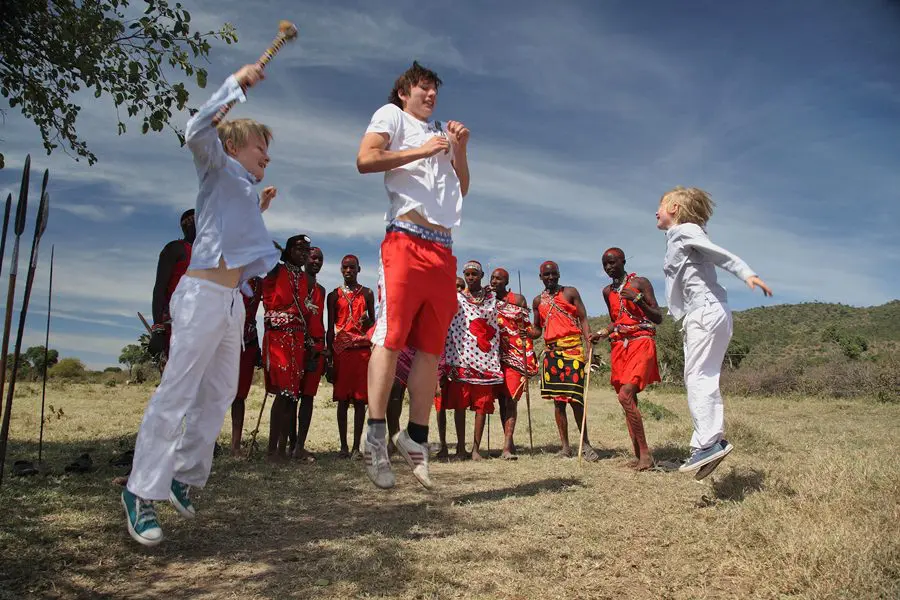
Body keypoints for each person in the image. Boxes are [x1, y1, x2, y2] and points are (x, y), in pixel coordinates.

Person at [121, 63, 281, 546]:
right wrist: (237, 85)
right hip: (200, 297)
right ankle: (139, 492)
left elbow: (232, 226)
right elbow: (196, 130)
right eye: (261, 149)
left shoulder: (242, 187)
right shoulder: (215, 163)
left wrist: (259, 205)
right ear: (233, 146)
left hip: (232, 303)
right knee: (177, 395)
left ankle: (181, 476)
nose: (266, 158)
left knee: (218, 396)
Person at [357, 60, 470, 489]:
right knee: (391, 336)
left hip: (443, 250)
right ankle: (376, 434)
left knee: (430, 349)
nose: (430, 95)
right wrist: (420, 150)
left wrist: (459, 148)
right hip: (405, 238)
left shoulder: (441, 131)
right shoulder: (392, 117)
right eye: (423, 88)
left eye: (434, 90)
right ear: (404, 91)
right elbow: (365, 159)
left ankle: (415, 436)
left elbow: (462, 189)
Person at [657, 186, 772, 479]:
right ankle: (705, 445)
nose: (655, 212)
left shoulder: (685, 231)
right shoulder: (681, 235)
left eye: (660, 205)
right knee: (700, 376)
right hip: (707, 313)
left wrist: (746, 273)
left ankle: (709, 443)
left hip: (705, 312)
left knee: (698, 377)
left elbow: (721, 255)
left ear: (674, 209)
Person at [591, 248, 662, 471]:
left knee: (625, 396)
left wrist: (638, 299)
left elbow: (658, 317)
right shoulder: (607, 292)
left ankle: (646, 455)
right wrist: (601, 333)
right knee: (628, 401)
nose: (609, 267)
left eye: (613, 262)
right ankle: (639, 454)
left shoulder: (640, 283)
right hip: (620, 347)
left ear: (623, 261)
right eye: (605, 264)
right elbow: (616, 321)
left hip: (641, 342)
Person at [528, 261, 599, 461]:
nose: (550, 278)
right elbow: (537, 330)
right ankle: (565, 447)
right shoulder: (536, 302)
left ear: (559, 275)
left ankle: (585, 446)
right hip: (551, 353)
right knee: (559, 403)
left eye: (554, 274)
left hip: (573, 351)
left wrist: (588, 347)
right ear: (540, 277)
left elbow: (583, 319)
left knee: (576, 399)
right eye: (546, 275)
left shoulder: (570, 293)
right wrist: (524, 330)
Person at [443, 261, 503, 460]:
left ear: (482, 275)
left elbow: (494, 320)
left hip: (485, 359)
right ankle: (460, 448)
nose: (470, 277)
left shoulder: (492, 298)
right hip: (461, 359)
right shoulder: (457, 298)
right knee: (460, 405)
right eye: (467, 274)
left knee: (481, 406)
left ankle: (475, 449)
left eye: (474, 274)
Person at [262, 235, 311, 463]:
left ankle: (283, 450)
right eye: (299, 248)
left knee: (292, 396)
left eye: (306, 250)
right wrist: (280, 252)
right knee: (282, 393)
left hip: (298, 340)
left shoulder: (303, 278)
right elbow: (266, 248)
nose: (304, 253)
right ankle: (272, 451)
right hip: (279, 338)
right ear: (289, 250)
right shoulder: (276, 270)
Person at [327, 255, 376, 459]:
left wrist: (367, 321)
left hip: (362, 352)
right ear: (341, 270)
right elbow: (330, 327)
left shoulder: (368, 293)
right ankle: (343, 446)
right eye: (345, 268)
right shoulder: (334, 295)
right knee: (342, 401)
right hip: (341, 352)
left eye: (352, 268)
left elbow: (373, 324)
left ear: (359, 269)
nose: (349, 271)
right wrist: (329, 355)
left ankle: (356, 447)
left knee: (359, 401)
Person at [489, 268, 537, 460]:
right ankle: (508, 443)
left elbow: (528, 328)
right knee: (501, 400)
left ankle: (507, 447)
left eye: (498, 279)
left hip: (516, 355)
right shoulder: (488, 300)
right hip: (494, 356)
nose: (494, 281)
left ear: (506, 281)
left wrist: (528, 339)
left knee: (511, 399)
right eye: (492, 278)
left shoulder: (518, 300)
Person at [291, 247, 326, 462]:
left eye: (320, 259)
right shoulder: (295, 282)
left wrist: (322, 348)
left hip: (316, 348)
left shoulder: (321, 290)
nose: (316, 261)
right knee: (290, 397)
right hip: (295, 344)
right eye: (313, 257)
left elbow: (321, 319)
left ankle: (299, 446)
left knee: (308, 398)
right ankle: (288, 443)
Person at [147, 209, 195, 362]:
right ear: (186, 226)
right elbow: (159, 289)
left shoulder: (212, 255)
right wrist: (158, 329)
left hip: (203, 327)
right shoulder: (176, 248)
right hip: (176, 326)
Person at [230, 276, 262, 456]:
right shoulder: (227, 276)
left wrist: (258, 346)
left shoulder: (259, 283)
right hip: (224, 338)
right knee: (213, 394)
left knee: (240, 395)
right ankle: (205, 444)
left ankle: (235, 446)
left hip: (248, 341)